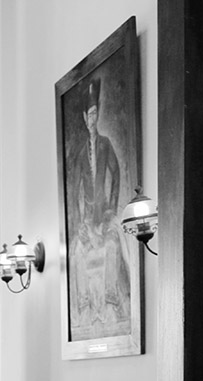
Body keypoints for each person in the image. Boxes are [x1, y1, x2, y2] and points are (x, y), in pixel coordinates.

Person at [68, 77, 131, 334]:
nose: (92, 119)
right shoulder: (80, 152)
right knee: (77, 252)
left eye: (95, 114)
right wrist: (80, 224)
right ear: (84, 118)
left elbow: (116, 174)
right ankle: (85, 308)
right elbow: (74, 191)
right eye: (89, 115)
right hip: (87, 220)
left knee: (113, 244)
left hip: (105, 214)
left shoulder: (105, 144)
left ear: (97, 115)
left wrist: (111, 210)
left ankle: (111, 304)